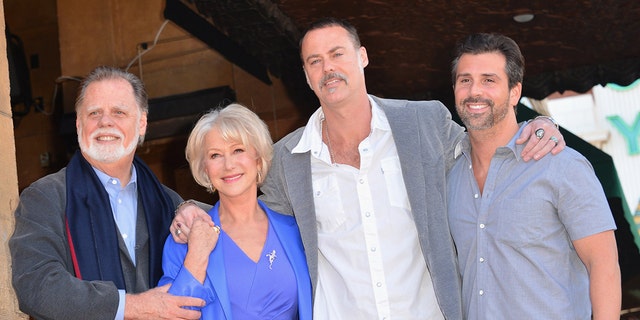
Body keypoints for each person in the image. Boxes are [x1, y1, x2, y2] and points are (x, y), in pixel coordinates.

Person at [172, 18, 565, 319]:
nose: (328, 68)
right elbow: (243, 206)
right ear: (307, 75)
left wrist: (533, 125)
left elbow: (483, 145)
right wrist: (189, 207)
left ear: (362, 57)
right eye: (315, 61)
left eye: (338, 54)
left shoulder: (422, 123)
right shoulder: (285, 160)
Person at [447, 33, 621, 319]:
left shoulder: (561, 166)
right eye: (465, 80)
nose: (474, 91)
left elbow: (604, 265)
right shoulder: (451, 176)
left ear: (515, 91)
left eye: (489, 80)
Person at [9, 66, 204, 320]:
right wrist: (131, 307)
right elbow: (36, 284)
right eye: (94, 113)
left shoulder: (170, 203)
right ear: (79, 124)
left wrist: (190, 206)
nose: (105, 122)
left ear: (142, 123)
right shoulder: (45, 197)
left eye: (119, 112)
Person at [158, 103, 312, 319]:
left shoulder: (294, 231)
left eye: (238, 150)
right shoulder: (184, 239)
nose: (228, 164)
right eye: (215, 155)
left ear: (258, 159)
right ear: (204, 168)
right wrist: (197, 255)